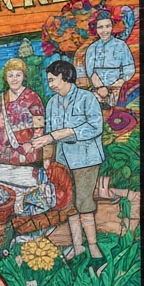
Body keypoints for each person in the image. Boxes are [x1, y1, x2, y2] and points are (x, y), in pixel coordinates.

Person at [31, 60, 106, 262]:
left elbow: (95, 127)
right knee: (69, 205)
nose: (50, 84)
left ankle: (93, 247)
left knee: (84, 203)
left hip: (86, 159)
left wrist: (66, 132)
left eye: (52, 80)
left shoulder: (86, 98)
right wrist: (48, 156)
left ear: (65, 76)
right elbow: (50, 135)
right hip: (63, 160)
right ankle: (77, 246)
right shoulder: (52, 103)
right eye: (48, 81)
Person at [82, 11, 134, 200]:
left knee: (115, 137)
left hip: (118, 91)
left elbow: (128, 69)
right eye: (100, 27)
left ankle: (110, 183)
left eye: (107, 26)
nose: (104, 30)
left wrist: (118, 84)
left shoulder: (121, 46)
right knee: (98, 136)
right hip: (98, 93)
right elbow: (91, 71)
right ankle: (96, 186)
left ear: (112, 27)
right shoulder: (92, 49)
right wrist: (100, 88)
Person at [0, 58, 46, 166]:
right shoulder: (1, 99)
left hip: (28, 152)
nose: (14, 79)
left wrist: (32, 144)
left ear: (24, 76)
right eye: (10, 75)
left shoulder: (31, 97)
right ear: (6, 77)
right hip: (7, 154)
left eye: (18, 75)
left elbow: (39, 126)